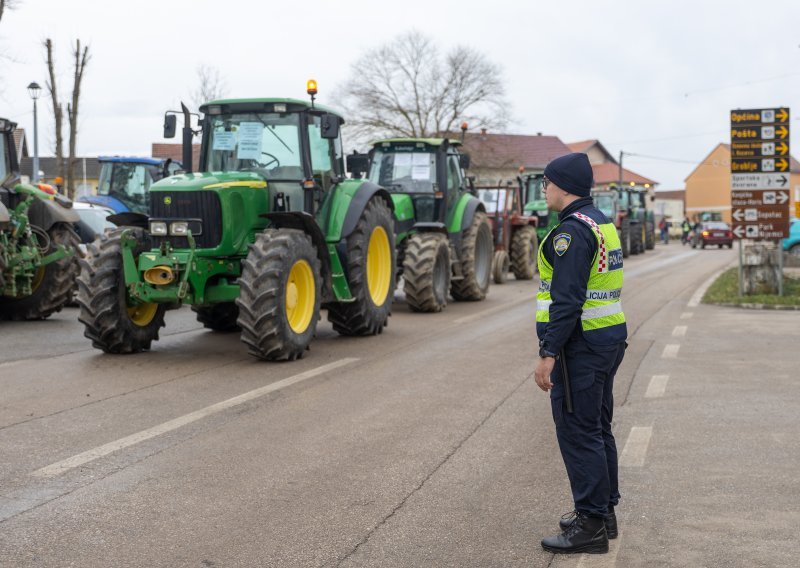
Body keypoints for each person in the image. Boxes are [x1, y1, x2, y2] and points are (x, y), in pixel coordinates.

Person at [534, 152, 627, 555]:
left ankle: (589, 526)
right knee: (597, 428)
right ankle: (603, 513)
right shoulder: (601, 222)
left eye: (547, 181)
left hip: (581, 346)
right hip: (607, 339)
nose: (544, 188)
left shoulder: (570, 233)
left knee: (578, 432)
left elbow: (567, 300)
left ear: (563, 186)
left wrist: (548, 352)